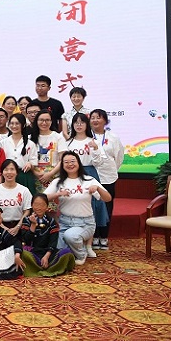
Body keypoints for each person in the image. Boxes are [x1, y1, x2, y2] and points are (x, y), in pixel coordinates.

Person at [44, 151, 112, 266]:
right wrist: (57, 194)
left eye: (73, 161)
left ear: (79, 163)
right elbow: (42, 198)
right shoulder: (58, 182)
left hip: (85, 223)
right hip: (64, 222)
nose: (70, 164)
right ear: (62, 165)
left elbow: (107, 198)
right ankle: (73, 250)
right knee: (57, 251)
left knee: (71, 236)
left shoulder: (89, 180)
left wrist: (98, 189)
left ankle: (81, 254)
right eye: (66, 162)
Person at [65, 112, 109, 256]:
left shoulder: (92, 141)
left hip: (89, 174)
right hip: (72, 176)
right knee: (75, 207)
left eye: (82, 122)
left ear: (86, 125)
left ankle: (89, 245)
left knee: (92, 210)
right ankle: (77, 243)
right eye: (76, 122)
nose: (79, 125)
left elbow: (98, 162)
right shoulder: (68, 142)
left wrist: (95, 149)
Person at [89, 109, 124, 249]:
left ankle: (104, 236)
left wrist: (111, 169)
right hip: (91, 176)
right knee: (92, 207)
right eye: (92, 118)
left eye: (98, 117)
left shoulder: (113, 137)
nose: (95, 120)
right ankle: (94, 236)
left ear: (105, 120)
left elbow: (119, 157)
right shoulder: (86, 137)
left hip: (108, 176)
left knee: (107, 206)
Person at [18, 193, 76, 277]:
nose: (39, 207)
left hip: (47, 252)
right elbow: (26, 240)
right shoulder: (27, 220)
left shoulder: (51, 221)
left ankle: (40, 267)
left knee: (67, 252)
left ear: (47, 206)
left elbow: (53, 241)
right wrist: (33, 225)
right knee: (23, 253)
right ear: (32, 205)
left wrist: (46, 256)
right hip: (32, 252)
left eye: (42, 205)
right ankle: (45, 268)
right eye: (36, 204)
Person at [0, 160, 32, 227]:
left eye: (12, 169)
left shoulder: (24, 190)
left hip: (20, 226)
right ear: (2, 173)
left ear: (17, 172)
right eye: (6, 169)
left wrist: (18, 227)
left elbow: (27, 211)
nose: (9, 172)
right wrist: (4, 228)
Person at [1, 113, 39, 194]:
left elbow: (33, 161)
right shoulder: (3, 142)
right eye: (12, 123)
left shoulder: (30, 143)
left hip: (24, 176)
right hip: (8, 176)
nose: (14, 126)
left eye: (17, 123)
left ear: (23, 125)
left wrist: (30, 164)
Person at [31, 110, 65, 190]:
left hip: (54, 176)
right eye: (41, 120)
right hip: (35, 177)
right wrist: (35, 173)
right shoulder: (30, 138)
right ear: (36, 121)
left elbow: (63, 159)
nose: (44, 123)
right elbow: (27, 159)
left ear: (51, 121)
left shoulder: (58, 137)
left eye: (47, 120)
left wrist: (50, 174)